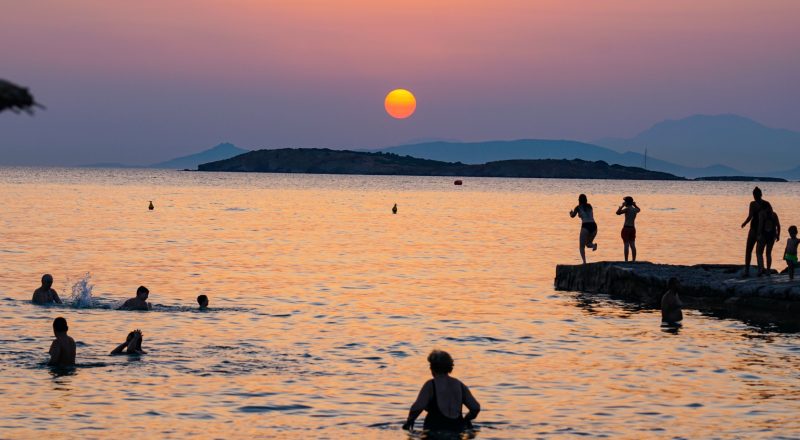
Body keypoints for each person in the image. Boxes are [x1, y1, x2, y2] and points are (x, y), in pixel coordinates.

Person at [402, 350, 481, 434]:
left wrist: (409, 421)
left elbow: (417, 407)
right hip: (457, 428)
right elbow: (475, 407)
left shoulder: (431, 385)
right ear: (450, 367)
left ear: (432, 368)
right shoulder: (459, 385)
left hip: (435, 429)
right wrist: (466, 420)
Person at [741, 187, 771, 277]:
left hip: (757, 230)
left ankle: (750, 270)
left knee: (753, 251)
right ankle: (756, 270)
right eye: (754, 195)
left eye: (755, 195)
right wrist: (745, 223)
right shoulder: (765, 203)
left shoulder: (755, 204)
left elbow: (750, 216)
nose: (755, 196)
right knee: (757, 252)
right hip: (759, 230)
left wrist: (745, 223)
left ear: (759, 194)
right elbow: (771, 216)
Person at [569, 194, 598, 264]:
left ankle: (584, 262)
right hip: (594, 225)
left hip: (586, 225)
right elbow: (586, 214)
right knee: (588, 244)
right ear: (586, 199)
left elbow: (573, 216)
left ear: (579, 200)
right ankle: (594, 245)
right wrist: (580, 215)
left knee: (581, 246)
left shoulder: (578, 207)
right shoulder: (589, 206)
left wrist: (570, 213)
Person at [755, 204, 780, 276]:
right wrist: (778, 235)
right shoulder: (774, 214)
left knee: (759, 252)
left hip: (763, 235)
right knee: (768, 254)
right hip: (772, 236)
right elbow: (778, 225)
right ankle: (768, 271)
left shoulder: (762, 214)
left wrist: (758, 235)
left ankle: (760, 270)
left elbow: (760, 225)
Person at [616, 196, 641, 262]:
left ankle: (626, 260)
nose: (624, 202)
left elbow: (617, 213)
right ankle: (633, 260)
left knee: (626, 245)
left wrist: (621, 206)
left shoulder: (627, 209)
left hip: (626, 228)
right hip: (632, 228)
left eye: (625, 201)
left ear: (627, 202)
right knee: (632, 245)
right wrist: (635, 205)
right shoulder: (634, 210)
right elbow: (639, 209)